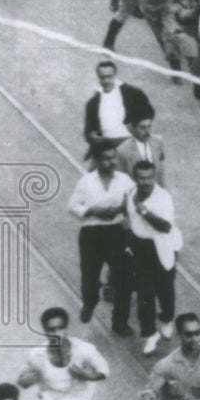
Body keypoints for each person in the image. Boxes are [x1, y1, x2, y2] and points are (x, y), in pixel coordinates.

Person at [67, 142, 135, 332]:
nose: (111, 162)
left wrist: (122, 209)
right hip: (92, 235)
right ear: (97, 160)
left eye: (113, 157)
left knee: (124, 280)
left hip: (116, 233)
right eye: (106, 158)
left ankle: (120, 322)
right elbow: (72, 206)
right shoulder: (87, 181)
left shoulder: (125, 181)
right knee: (89, 278)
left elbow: (135, 203)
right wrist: (92, 210)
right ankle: (89, 303)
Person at [125, 160, 182, 355]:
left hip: (162, 246)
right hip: (140, 248)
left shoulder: (163, 197)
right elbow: (129, 219)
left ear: (154, 177)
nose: (146, 181)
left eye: (149, 177)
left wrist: (143, 211)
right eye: (142, 178)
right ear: (136, 178)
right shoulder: (132, 194)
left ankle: (166, 318)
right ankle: (149, 333)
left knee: (165, 290)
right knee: (144, 292)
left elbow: (165, 226)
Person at [82, 61, 153, 158]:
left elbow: (149, 113)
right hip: (105, 145)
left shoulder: (133, 93)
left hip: (129, 142)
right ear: (98, 77)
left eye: (109, 77)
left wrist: (136, 128)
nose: (106, 80)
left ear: (115, 75)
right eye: (102, 77)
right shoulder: (93, 103)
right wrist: (92, 136)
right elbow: (89, 129)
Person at [115, 111, 166, 188]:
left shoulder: (158, 142)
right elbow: (119, 179)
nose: (147, 131)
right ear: (133, 128)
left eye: (149, 127)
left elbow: (160, 174)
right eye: (143, 127)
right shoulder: (122, 150)